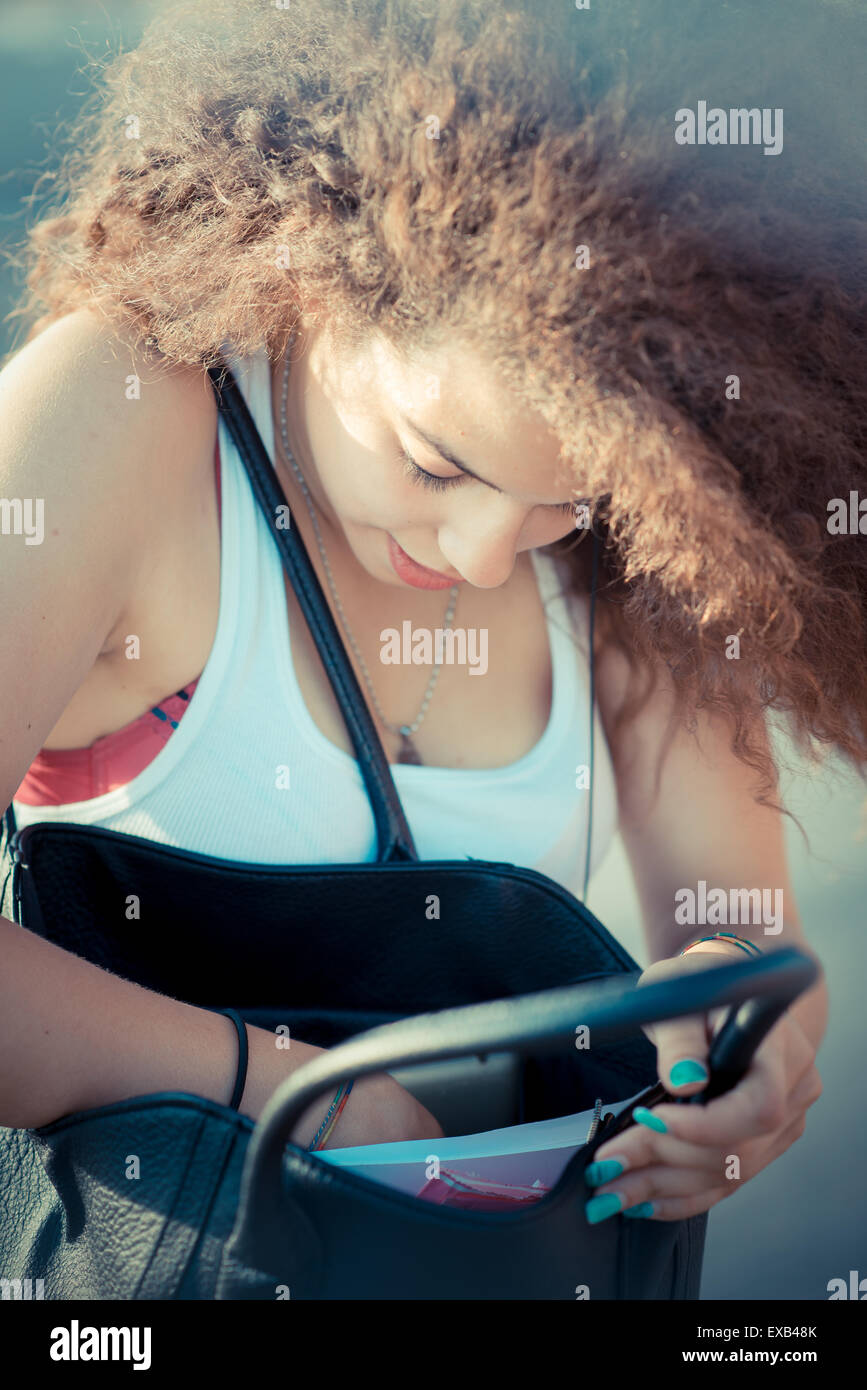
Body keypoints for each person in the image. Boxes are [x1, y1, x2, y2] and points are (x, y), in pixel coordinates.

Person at [1, 0, 863, 1230]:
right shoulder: (114, 411)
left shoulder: (652, 543)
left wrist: (745, 1039)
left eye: (569, 497)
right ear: (308, 249)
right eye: (437, 463)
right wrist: (290, 1093)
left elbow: (740, 936)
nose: (487, 548)